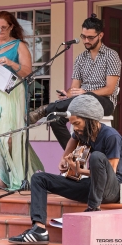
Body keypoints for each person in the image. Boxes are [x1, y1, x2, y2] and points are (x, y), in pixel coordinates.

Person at [8, 94, 122, 245]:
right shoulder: (84, 132)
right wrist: (64, 158)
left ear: (90, 120)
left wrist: (80, 172)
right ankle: (39, 230)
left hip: (113, 190)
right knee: (39, 178)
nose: (74, 128)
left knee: (97, 157)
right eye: (72, 124)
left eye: (77, 123)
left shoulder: (111, 136)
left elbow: (111, 172)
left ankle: (93, 209)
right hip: (92, 186)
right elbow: (73, 139)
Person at [0, 11, 44, 190]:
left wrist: (11, 64)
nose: (0, 30)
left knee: (8, 137)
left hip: (11, 92)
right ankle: (0, 178)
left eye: (4, 27)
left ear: (12, 26)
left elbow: (27, 72)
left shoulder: (19, 46)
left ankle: (19, 175)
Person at [29, 13, 121, 150]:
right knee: (54, 118)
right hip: (82, 101)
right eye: (83, 37)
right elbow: (74, 88)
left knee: (87, 96)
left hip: (104, 102)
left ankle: (45, 109)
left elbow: (110, 89)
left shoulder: (111, 56)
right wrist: (67, 94)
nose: (86, 41)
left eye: (90, 37)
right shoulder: (80, 58)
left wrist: (86, 92)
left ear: (100, 35)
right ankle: (74, 153)